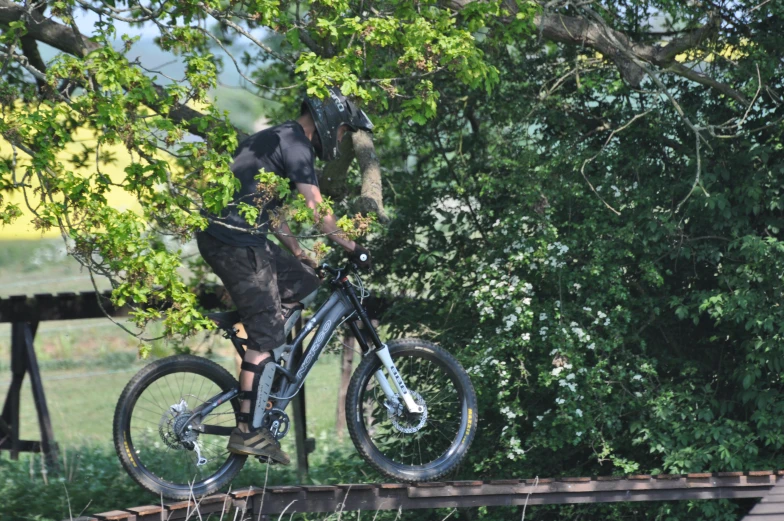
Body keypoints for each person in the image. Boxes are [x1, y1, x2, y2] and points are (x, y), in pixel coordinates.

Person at [196, 87, 374, 464]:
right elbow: (317, 209)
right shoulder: (297, 144)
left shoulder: (281, 138)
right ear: (328, 121)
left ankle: (269, 354)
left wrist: (297, 253)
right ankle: (247, 430)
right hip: (234, 242)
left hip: (239, 238)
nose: (341, 139)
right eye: (343, 131)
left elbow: (271, 211)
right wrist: (353, 248)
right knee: (267, 332)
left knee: (304, 282)